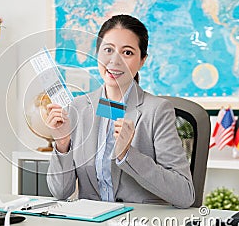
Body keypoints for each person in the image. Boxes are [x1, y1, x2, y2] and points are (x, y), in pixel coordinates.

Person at [46, 14, 195, 208]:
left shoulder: (157, 111)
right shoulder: (79, 108)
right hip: (93, 225)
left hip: (140, 225)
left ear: (142, 60)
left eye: (127, 53)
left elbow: (185, 194)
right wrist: (62, 143)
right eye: (108, 50)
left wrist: (127, 154)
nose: (115, 61)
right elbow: (60, 192)